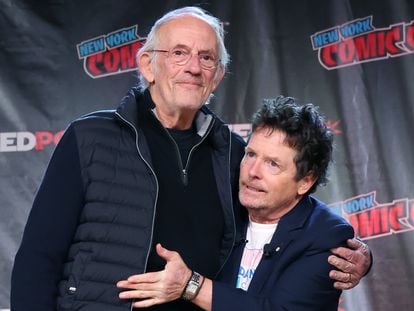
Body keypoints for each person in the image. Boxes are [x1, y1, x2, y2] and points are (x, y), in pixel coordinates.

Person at [11, 6, 370, 311]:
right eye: (178, 53)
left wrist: (357, 254)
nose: (193, 67)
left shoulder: (232, 152)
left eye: (206, 57)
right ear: (148, 66)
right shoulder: (90, 138)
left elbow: (285, 200)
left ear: (216, 77)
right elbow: (39, 258)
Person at [116, 97, 363, 310]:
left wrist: (191, 285)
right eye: (251, 154)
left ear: (305, 181)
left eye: (273, 164)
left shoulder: (327, 237)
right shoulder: (227, 205)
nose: (252, 171)